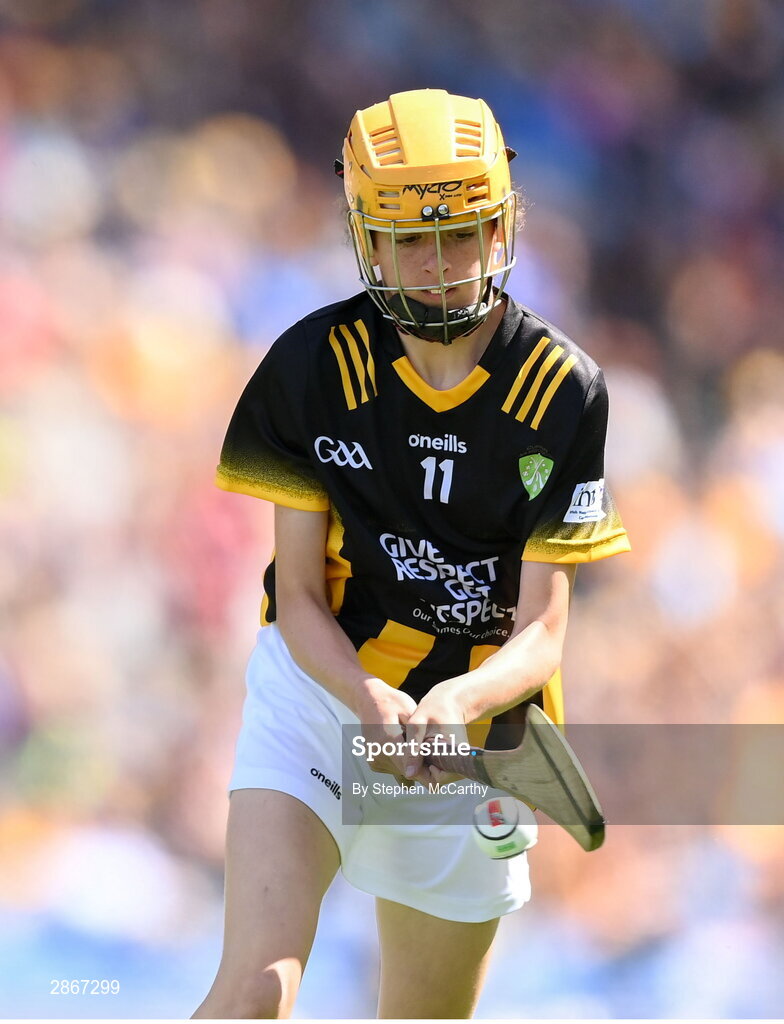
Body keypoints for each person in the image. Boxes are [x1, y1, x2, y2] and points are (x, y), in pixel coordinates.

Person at [194, 88, 630, 1020]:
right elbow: (298, 600)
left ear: (504, 225)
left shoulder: (565, 391)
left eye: (463, 234)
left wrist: (457, 704)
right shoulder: (309, 368)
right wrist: (366, 699)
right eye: (409, 239)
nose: (438, 266)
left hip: (471, 746)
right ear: (367, 237)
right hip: (321, 697)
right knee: (256, 992)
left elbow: (543, 631)